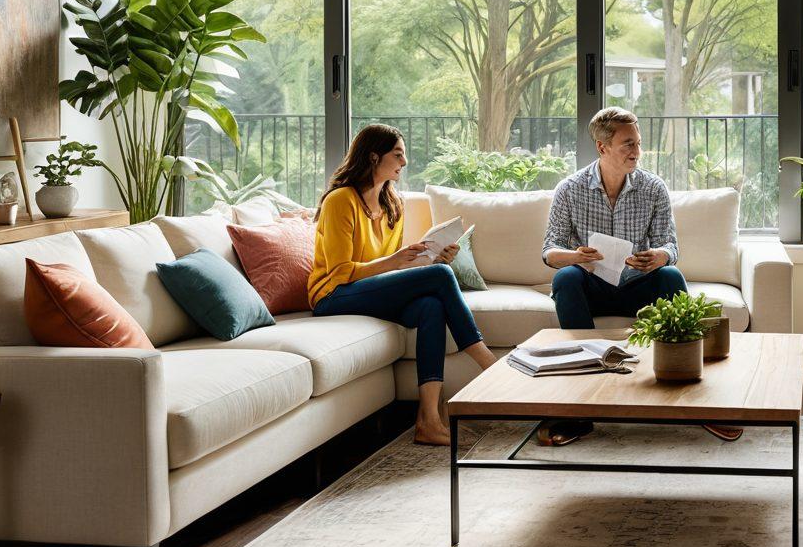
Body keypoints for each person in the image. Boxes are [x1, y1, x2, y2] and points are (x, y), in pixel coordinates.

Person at [541, 106, 741, 444]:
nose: (637, 152)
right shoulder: (569, 189)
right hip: (591, 287)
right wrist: (575, 256)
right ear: (603, 148)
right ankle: (578, 410)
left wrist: (659, 257)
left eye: (638, 143)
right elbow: (549, 251)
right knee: (565, 278)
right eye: (627, 144)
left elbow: (670, 245)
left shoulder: (653, 188)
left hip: (637, 285)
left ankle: (699, 404)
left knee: (672, 277)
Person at [308, 124, 497, 446]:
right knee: (438, 280)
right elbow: (341, 271)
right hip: (333, 295)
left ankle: (428, 419)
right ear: (372, 156)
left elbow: (388, 271)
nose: (404, 162)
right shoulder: (341, 201)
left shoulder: (391, 204)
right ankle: (487, 362)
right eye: (397, 154)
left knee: (431, 305)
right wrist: (397, 261)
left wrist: (434, 258)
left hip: (369, 289)